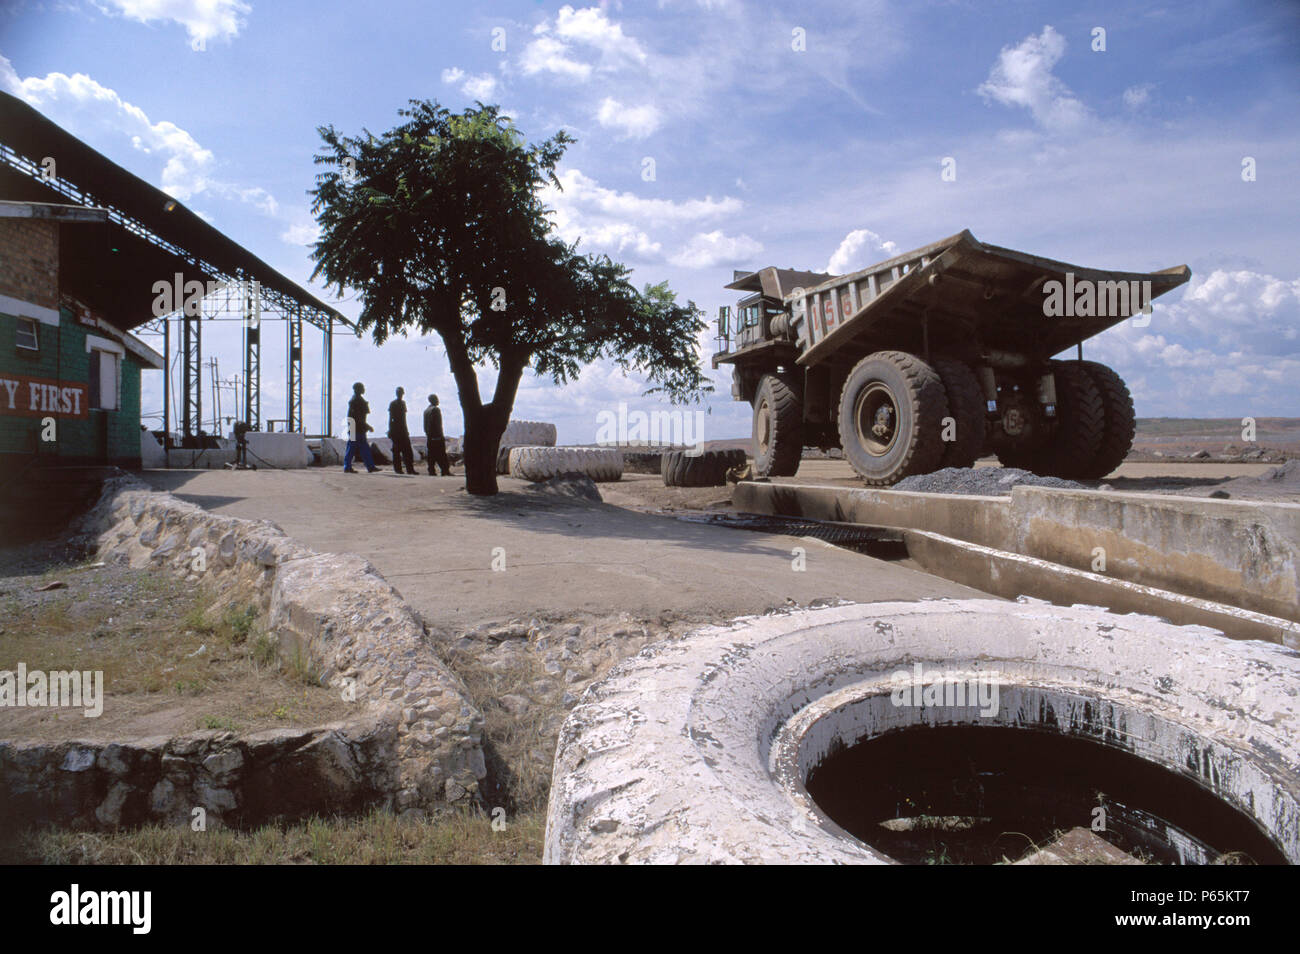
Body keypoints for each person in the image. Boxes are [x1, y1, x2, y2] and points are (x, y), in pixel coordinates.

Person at [343, 381, 377, 473]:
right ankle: (347, 467)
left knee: (364, 448)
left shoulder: (357, 400)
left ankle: (370, 466)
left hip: (358, 428)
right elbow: (358, 417)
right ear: (357, 389)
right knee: (352, 448)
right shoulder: (355, 401)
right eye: (362, 388)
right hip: (355, 427)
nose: (364, 389)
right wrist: (367, 426)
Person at [388, 387, 417, 475]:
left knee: (407, 451)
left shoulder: (403, 403)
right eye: (399, 393)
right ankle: (398, 469)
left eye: (401, 393)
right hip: (396, 430)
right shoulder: (393, 404)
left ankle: (410, 469)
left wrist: (406, 430)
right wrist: (390, 430)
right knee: (396, 451)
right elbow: (391, 418)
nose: (400, 394)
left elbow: (404, 419)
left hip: (403, 430)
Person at [424, 394, 451, 476]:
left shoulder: (426, 411)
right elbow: (437, 424)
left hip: (429, 436)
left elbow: (425, 425)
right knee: (441, 454)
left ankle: (431, 471)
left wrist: (428, 434)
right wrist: (440, 436)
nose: (438, 400)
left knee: (431, 455)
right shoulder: (435, 410)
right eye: (436, 399)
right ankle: (445, 471)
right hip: (436, 436)